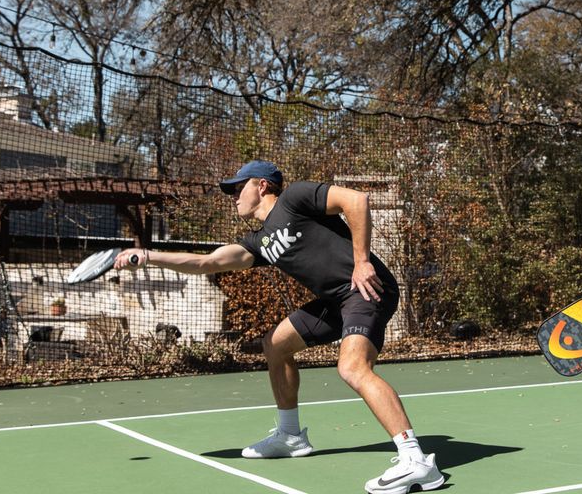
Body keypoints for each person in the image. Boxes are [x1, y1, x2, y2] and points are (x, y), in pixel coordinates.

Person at [114, 160, 444, 494]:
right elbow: (207, 263)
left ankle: (416, 461)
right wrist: (149, 256)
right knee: (276, 344)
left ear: (261, 185)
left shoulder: (295, 197)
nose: (233, 197)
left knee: (352, 368)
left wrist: (362, 262)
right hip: (335, 302)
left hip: (364, 289)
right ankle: (290, 436)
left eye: (237, 188)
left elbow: (356, 200)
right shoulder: (259, 243)